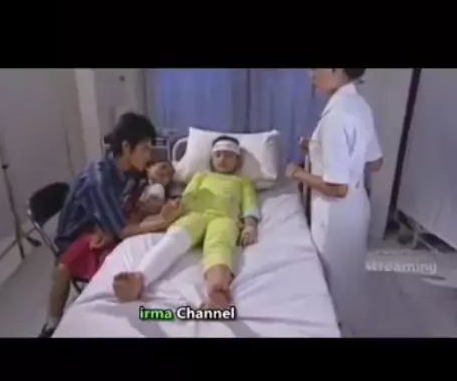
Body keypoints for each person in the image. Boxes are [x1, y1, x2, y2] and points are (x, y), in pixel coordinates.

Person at [38, 114, 179, 338]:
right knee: (121, 276)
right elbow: (122, 230)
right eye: (145, 149)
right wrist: (163, 221)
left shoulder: (130, 170)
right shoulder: (99, 180)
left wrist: (151, 210)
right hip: (79, 237)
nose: (149, 155)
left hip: (105, 228)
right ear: (126, 147)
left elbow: (130, 209)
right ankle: (56, 326)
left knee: (145, 261)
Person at [286, 68, 383, 337]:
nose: (311, 74)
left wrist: (297, 173)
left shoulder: (336, 117)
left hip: (336, 217)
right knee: (348, 283)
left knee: (331, 292)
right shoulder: (359, 105)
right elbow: (375, 163)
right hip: (357, 207)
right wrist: (317, 147)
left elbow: (337, 188)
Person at [113, 136, 260, 311]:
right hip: (194, 214)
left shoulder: (242, 181)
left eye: (228, 155)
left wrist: (250, 226)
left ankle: (217, 288)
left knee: (219, 246)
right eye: (218, 155)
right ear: (211, 158)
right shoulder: (201, 175)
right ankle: (139, 278)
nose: (222, 159)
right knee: (174, 239)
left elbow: (250, 205)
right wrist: (174, 208)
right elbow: (186, 197)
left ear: (238, 160)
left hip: (224, 218)